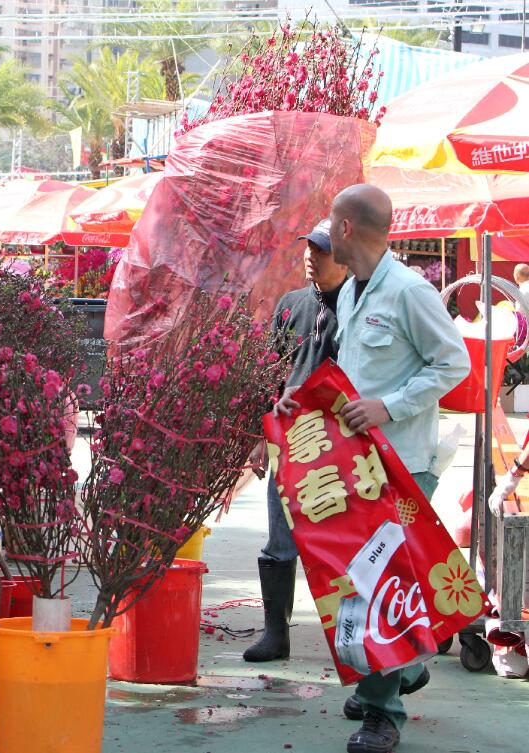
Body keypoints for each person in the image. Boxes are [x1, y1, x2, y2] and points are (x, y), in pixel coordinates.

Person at [279, 185, 468, 753]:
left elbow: (453, 362)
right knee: (366, 579)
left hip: (405, 463)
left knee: (379, 584)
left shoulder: (409, 291)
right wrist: (301, 398)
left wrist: (391, 406)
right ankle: (401, 673)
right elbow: (352, 370)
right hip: (362, 462)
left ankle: (383, 714)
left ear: (344, 230)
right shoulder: (356, 290)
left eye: (329, 223)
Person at [243, 219, 348, 663]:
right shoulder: (290, 306)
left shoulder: (359, 307)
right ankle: (275, 633)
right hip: (289, 441)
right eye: (308, 248)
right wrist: (257, 435)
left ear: (343, 257)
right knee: (280, 541)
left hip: (341, 444)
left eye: (321, 250)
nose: (311, 256)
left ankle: (353, 643)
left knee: (344, 545)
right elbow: (268, 374)